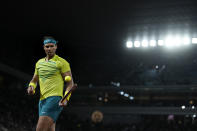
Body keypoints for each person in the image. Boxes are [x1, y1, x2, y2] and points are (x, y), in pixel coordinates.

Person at [27, 36, 74, 131]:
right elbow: (34, 81)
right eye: (47, 46)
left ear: (56, 46)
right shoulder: (39, 63)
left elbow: (70, 84)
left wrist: (66, 99)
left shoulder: (62, 62)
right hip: (42, 100)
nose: (49, 49)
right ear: (43, 47)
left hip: (54, 99)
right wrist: (31, 87)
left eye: (51, 46)